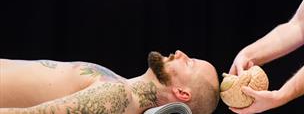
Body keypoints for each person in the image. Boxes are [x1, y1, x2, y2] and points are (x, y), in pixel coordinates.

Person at [0, 50, 219, 114]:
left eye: (189, 62)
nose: (180, 53)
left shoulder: (118, 98)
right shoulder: (120, 88)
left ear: (183, 93)